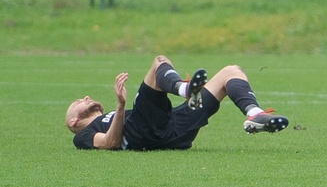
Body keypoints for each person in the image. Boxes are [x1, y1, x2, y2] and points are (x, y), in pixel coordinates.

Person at [65, 55, 289, 150]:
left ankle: (254, 114)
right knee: (158, 62)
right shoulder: (82, 136)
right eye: (78, 102)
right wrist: (121, 106)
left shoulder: (109, 116)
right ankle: (184, 89)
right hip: (141, 133)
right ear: (73, 121)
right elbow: (109, 143)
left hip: (173, 131)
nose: (85, 98)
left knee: (231, 71)